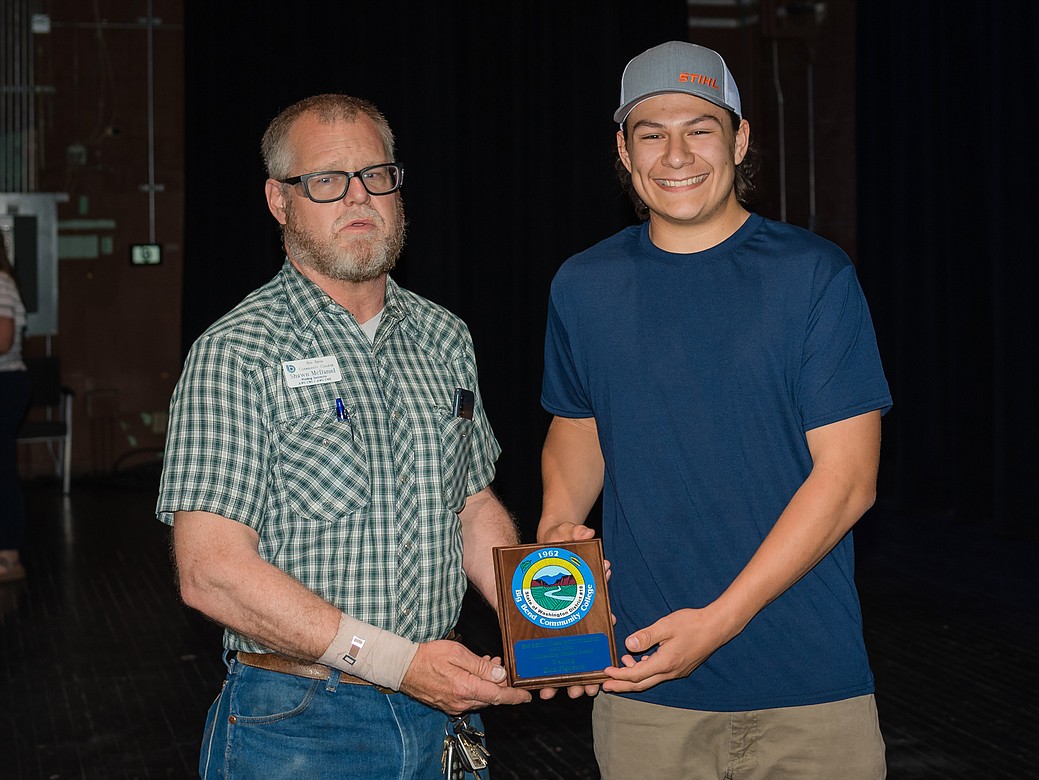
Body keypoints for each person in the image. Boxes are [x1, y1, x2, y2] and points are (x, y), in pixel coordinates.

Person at [537, 41, 892, 779]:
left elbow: (850, 480)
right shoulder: (583, 285)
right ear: (623, 150)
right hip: (643, 689)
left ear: (740, 137)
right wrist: (557, 529)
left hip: (808, 688)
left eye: (699, 127)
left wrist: (717, 624)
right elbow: (578, 427)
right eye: (651, 132)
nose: (676, 154)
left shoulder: (813, 276)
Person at [156, 93, 530, 779]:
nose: (359, 197)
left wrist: (545, 622)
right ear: (280, 200)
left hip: (444, 707)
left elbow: (471, 506)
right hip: (299, 723)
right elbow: (210, 572)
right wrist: (398, 664)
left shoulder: (445, 338)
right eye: (326, 181)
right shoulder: (237, 352)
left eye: (375, 175)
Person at [0, 236, 30, 584]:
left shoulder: (2, 282)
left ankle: (9, 555)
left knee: (3, 471)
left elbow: (4, 340)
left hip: (5, 384)